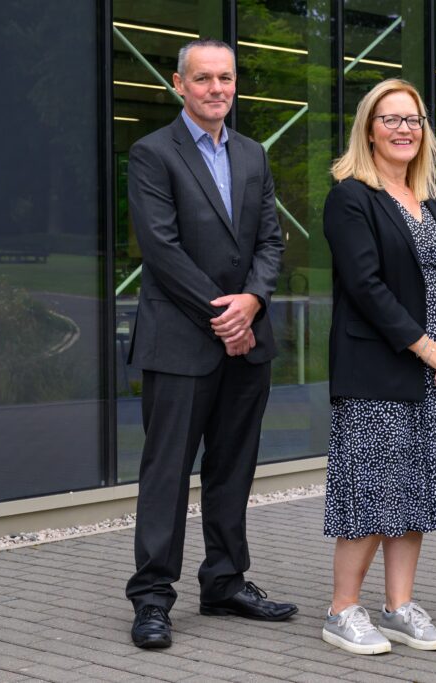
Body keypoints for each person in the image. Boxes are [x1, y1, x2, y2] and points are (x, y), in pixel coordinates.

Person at [125, 38, 295, 649]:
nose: (217, 88)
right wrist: (226, 315)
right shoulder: (152, 154)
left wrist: (252, 301)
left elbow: (271, 241)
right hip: (180, 343)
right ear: (179, 84)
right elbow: (161, 250)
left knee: (233, 469)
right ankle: (151, 598)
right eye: (204, 79)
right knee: (166, 472)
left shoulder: (252, 155)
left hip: (246, 342)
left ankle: (224, 582)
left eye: (225, 78)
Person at [320, 78, 436, 655]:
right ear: (369, 128)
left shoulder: (430, 198)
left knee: (414, 490)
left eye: (413, 120)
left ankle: (398, 607)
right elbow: (365, 287)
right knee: (372, 492)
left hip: (435, 373)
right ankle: (342, 610)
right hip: (378, 371)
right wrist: (428, 347)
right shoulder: (350, 196)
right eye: (391, 119)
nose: (404, 129)